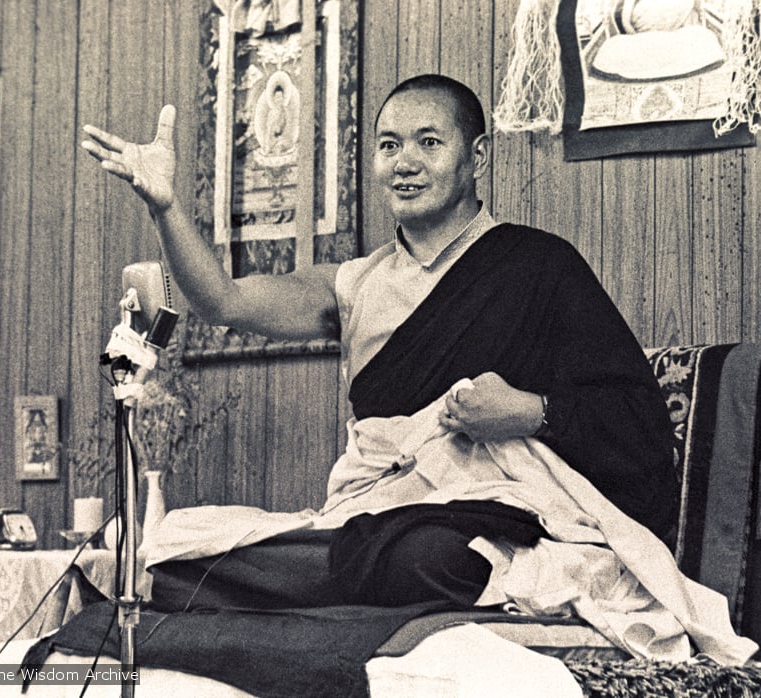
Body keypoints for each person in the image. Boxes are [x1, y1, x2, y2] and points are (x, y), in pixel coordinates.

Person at [80, 74, 678, 613]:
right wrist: (164, 205)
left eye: (429, 143)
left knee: (428, 558)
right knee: (183, 551)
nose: (405, 163)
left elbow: (642, 429)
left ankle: (317, 580)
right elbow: (223, 302)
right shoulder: (355, 282)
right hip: (369, 509)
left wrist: (530, 412)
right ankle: (324, 575)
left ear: (478, 157)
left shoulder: (540, 267)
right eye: (389, 145)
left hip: (481, 512)